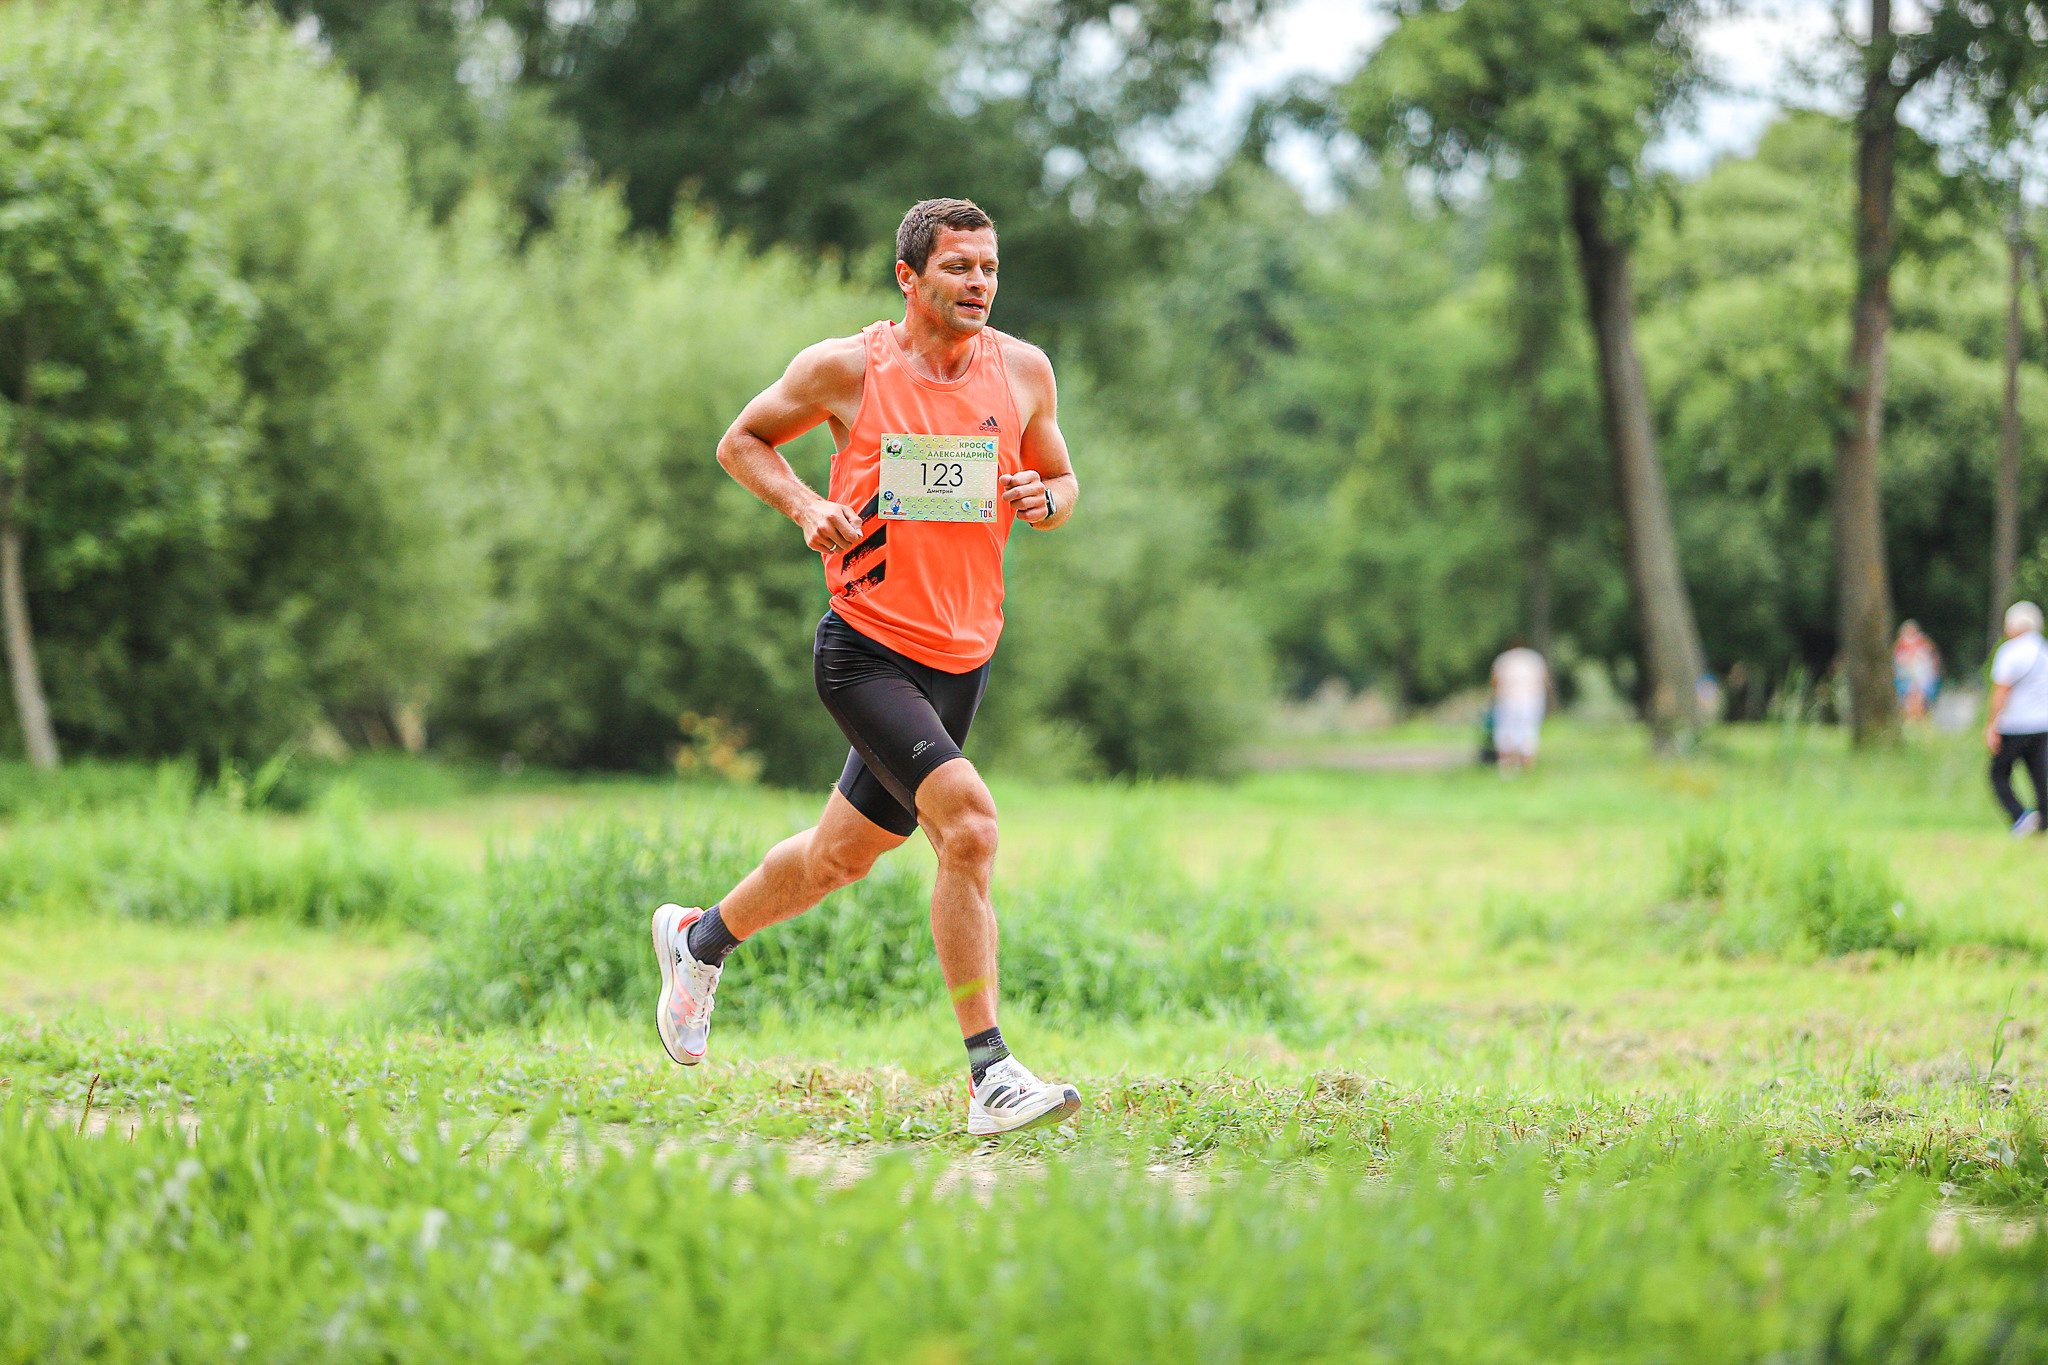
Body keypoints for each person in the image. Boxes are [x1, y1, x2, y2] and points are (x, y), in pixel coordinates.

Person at [646, 198, 1085, 1136]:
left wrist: (1040, 499)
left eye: (990, 268)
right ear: (909, 278)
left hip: (962, 657)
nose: (979, 285)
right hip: (866, 651)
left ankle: (698, 938)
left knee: (841, 856)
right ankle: (991, 1074)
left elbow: (1061, 481)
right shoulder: (846, 368)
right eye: (959, 268)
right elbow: (742, 442)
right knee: (968, 826)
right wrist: (807, 507)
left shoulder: (1025, 371)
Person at [1988, 601, 2048, 837]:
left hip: (2015, 724)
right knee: (2040, 774)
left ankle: (2020, 817)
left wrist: (1992, 724)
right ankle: (2043, 821)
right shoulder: (2044, 650)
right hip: (2042, 724)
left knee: (1998, 773)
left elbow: (2001, 690)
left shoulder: (2010, 651)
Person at [1489, 642, 1548, 772]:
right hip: (1531, 700)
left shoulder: (1503, 659)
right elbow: (1544, 680)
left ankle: (1506, 768)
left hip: (1507, 700)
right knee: (1528, 733)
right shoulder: (1535, 658)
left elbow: (1495, 680)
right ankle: (1526, 768)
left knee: (1505, 732)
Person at [1893, 620, 1942, 722]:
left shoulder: (1925, 645)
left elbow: (1932, 666)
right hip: (1906, 680)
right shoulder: (1899, 648)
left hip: (1922, 680)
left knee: (1919, 699)